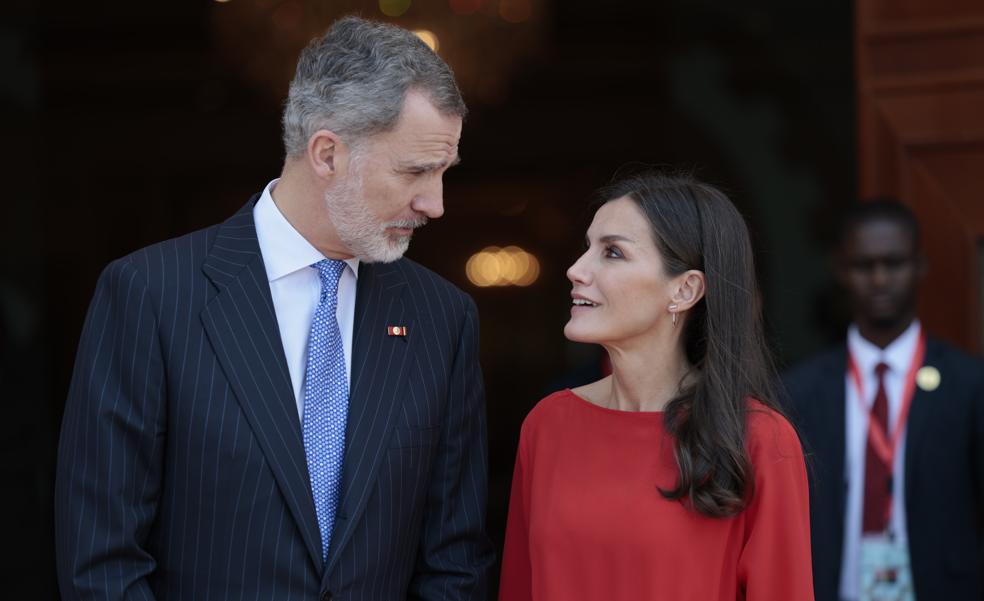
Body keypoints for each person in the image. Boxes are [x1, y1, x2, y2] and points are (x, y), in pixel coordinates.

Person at [55, 16, 494, 601]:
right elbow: (101, 562)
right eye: (415, 171)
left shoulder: (443, 318)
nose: (434, 203)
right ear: (327, 153)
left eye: (443, 172)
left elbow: (456, 562)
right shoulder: (150, 294)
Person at [499, 172, 814, 601]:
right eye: (587, 247)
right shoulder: (546, 424)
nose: (576, 269)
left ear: (685, 289)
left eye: (612, 252)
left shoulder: (759, 438)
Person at [783, 200, 984, 601]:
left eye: (894, 264)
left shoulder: (970, 385)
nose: (879, 279)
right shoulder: (797, 391)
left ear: (920, 266)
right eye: (864, 265)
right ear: (841, 270)